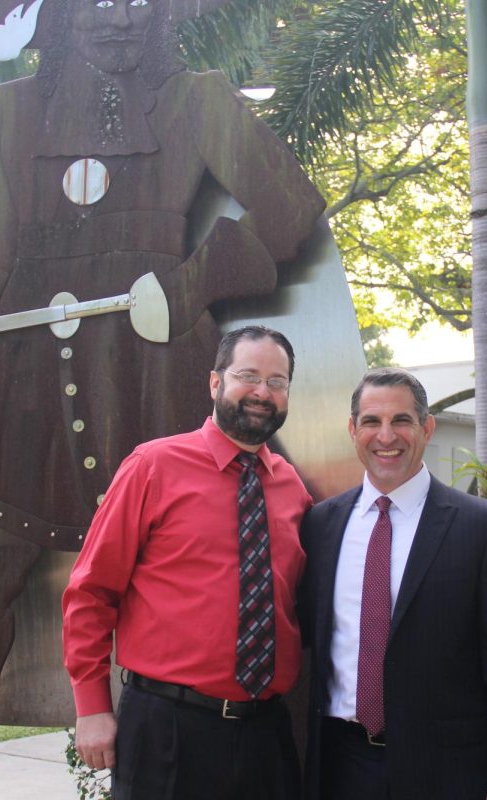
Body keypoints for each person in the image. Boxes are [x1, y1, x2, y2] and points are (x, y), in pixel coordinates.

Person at [0, 0, 325, 796]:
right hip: (22, 382)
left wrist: (190, 287)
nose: (117, 19)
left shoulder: (198, 101)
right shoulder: (16, 109)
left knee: (248, 573)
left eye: (137, 3)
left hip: (157, 371)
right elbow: (8, 236)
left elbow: (289, 208)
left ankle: (298, 778)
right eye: (95, 2)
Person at [63, 325, 312, 800]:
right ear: (216, 383)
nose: (263, 392)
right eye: (249, 376)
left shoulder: (292, 490)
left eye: (277, 382)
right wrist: (91, 707)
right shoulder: (152, 467)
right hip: (166, 728)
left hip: (266, 734)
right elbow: (91, 591)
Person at [299, 368, 487, 800]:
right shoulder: (321, 524)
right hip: (340, 768)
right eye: (371, 422)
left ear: (426, 428)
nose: (386, 436)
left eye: (402, 421)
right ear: (353, 430)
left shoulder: (482, 529)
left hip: (446, 775)